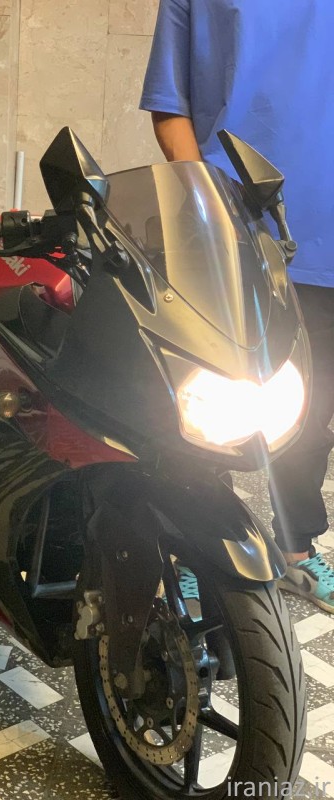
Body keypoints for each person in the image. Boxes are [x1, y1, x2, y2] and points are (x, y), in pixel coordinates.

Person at [140, 0, 334, 612]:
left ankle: (297, 549)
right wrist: (209, 208)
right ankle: (191, 548)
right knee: (197, 403)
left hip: (328, 238)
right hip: (231, 226)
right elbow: (170, 105)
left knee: (312, 411)